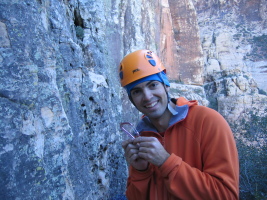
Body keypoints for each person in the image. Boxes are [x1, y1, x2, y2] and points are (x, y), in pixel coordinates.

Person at [119, 49, 239, 200]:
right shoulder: (142, 135)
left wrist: (166, 162)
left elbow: (226, 195)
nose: (147, 97)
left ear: (166, 85)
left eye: (153, 85)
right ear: (131, 100)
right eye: (137, 92)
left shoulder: (208, 122)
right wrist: (140, 171)